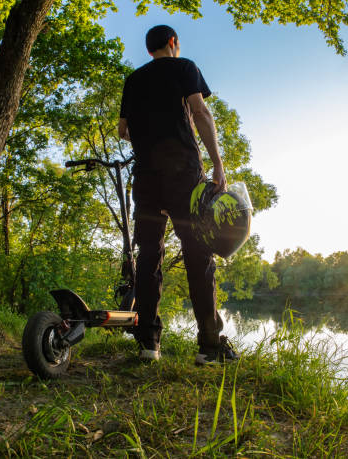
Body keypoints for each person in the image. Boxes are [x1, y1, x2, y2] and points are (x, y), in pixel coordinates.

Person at [118, 25, 239, 365]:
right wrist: (218, 164)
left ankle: (148, 345)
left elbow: (123, 130)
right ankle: (209, 348)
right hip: (184, 176)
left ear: (148, 49)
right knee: (198, 255)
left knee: (149, 256)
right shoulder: (185, 67)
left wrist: (150, 139)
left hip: (145, 179)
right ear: (173, 43)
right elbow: (200, 111)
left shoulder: (133, 80)